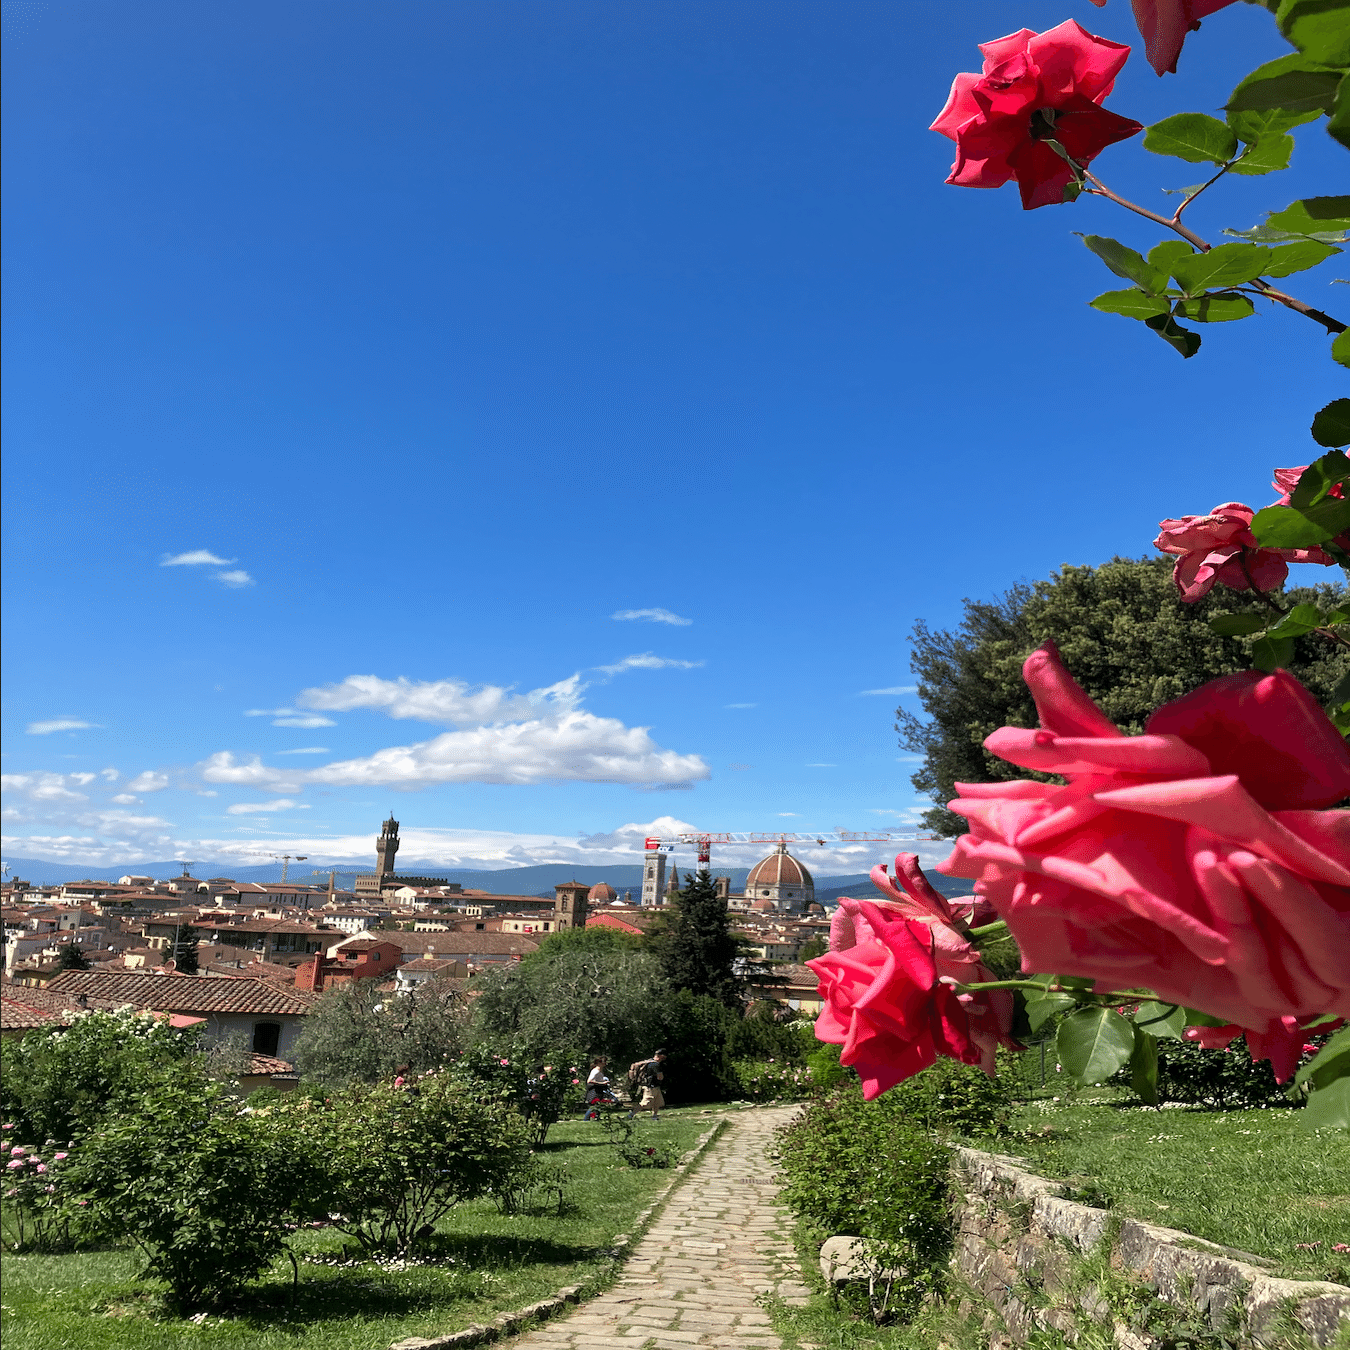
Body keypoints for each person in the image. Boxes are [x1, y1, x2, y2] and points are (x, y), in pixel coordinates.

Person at [627, 1048, 668, 1121]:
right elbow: (660, 1077)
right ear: (660, 1056)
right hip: (651, 1087)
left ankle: (654, 1116)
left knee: (657, 1102)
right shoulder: (655, 1065)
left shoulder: (650, 1062)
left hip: (653, 1086)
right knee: (645, 1103)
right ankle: (631, 1114)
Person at [583, 1055, 612, 1121]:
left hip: (599, 1090)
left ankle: (596, 1117)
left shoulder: (600, 1071)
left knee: (598, 1105)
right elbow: (589, 1081)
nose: (605, 1063)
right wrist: (602, 1083)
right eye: (604, 1062)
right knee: (594, 1105)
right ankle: (586, 1119)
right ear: (599, 1062)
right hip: (594, 1090)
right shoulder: (595, 1071)